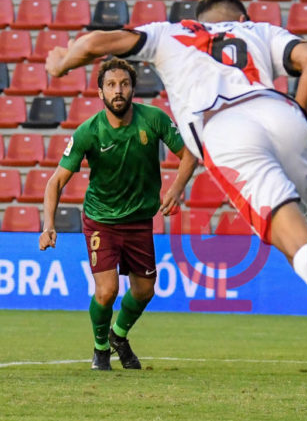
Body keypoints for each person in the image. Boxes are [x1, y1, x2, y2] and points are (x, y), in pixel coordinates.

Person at [44, 0, 307, 411]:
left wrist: (64, 60)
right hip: (283, 114)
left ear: (199, 19)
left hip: (227, 129)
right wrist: (297, 117)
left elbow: (96, 43)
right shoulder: (260, 31)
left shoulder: (171, 33)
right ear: (240, 17)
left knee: (300, 244)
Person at [39, 58, 197, 371]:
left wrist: (177, 188)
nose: (118, 90)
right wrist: (48, 225)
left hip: (139, 221)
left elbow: (190, 154)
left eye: (124, 84)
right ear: (100, 93)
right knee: (107, 290)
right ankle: (100, 350)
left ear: (133, 89)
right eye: (111, 85)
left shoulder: (153, 119)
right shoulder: (89, 131)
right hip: (102, 220)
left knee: (144, 291)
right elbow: (56, 180)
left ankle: (118, 336)